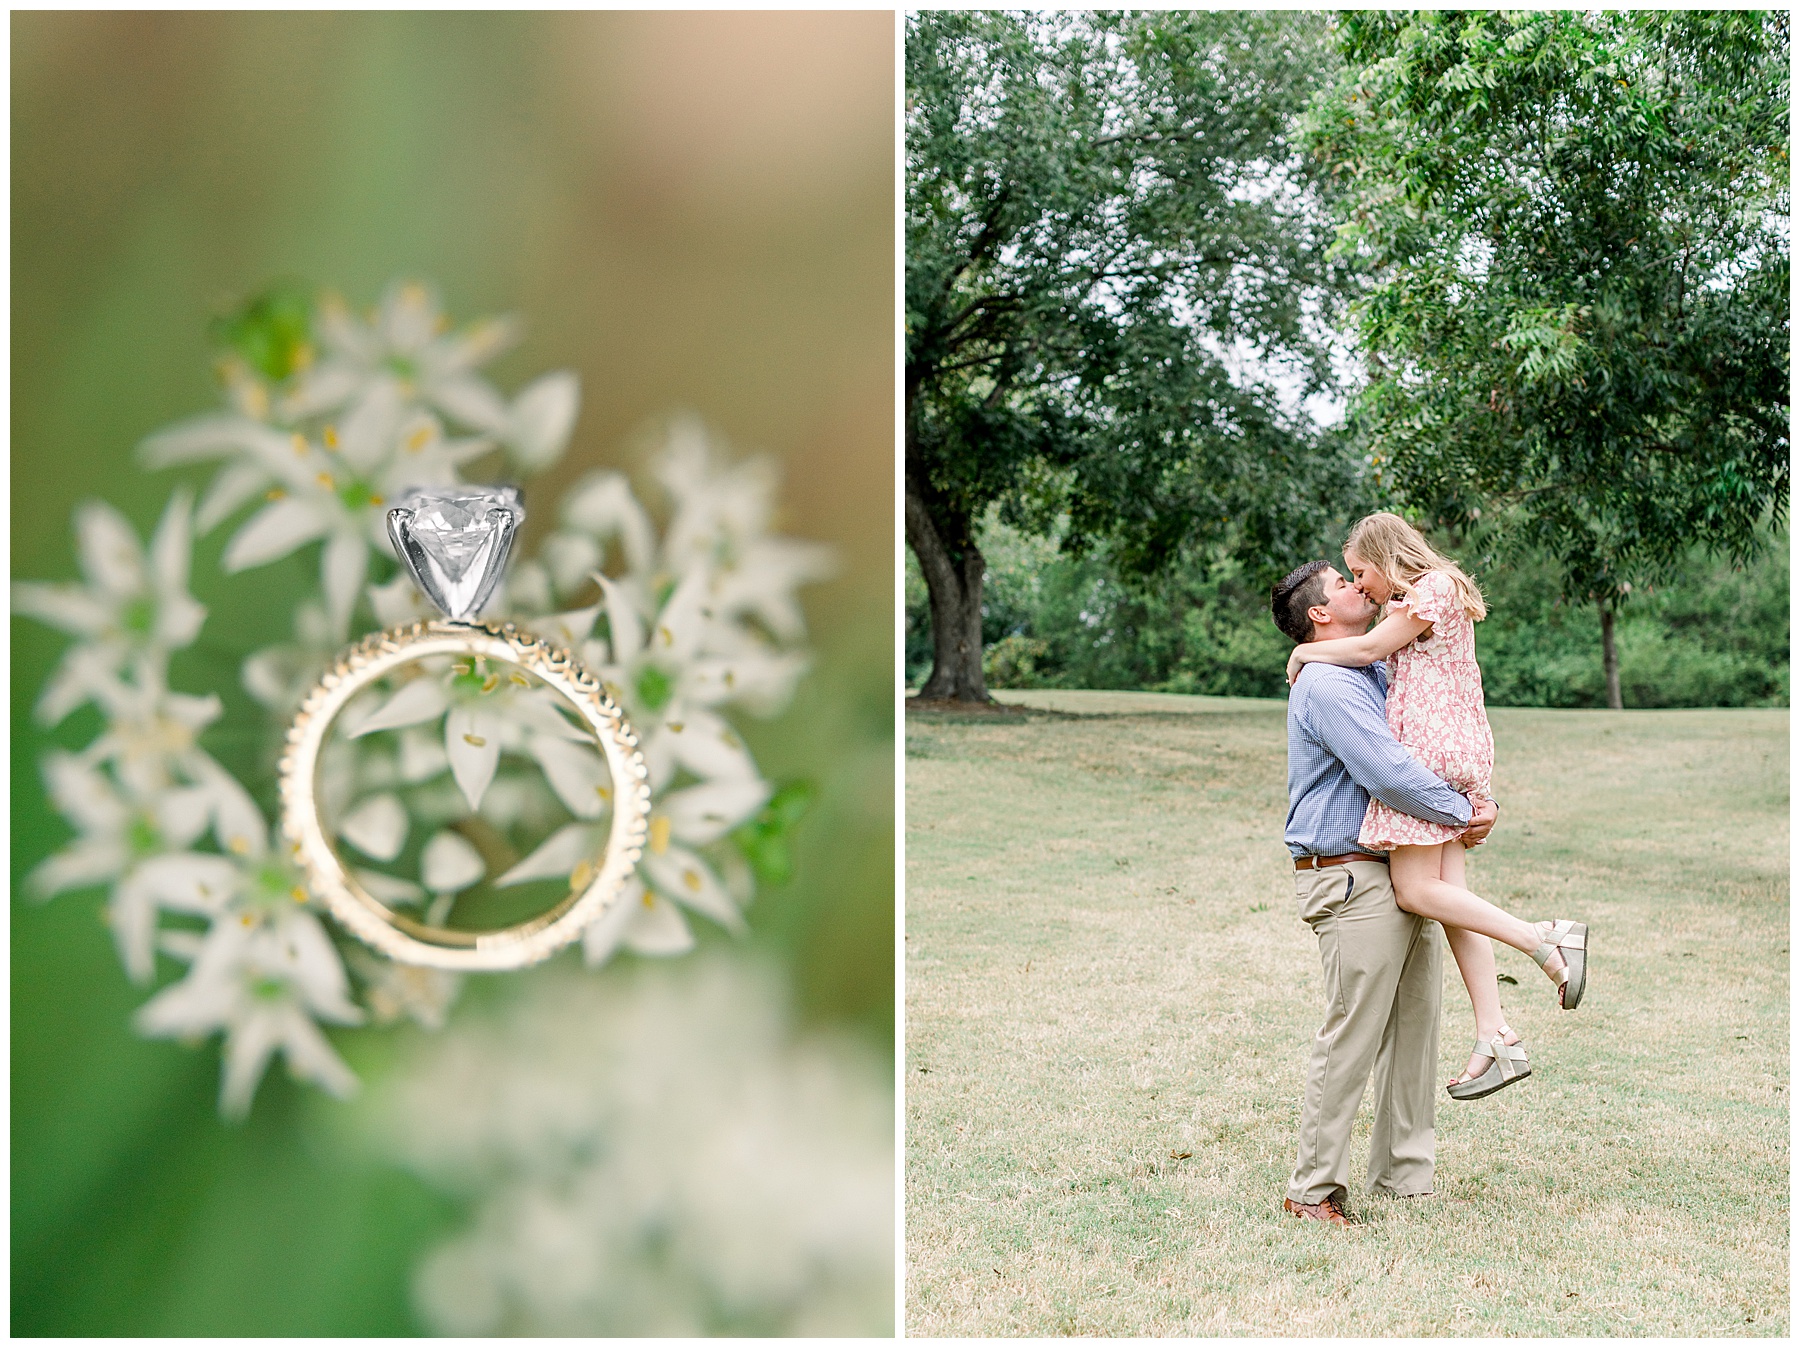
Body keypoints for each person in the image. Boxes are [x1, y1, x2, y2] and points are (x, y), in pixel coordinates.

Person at [1286, 514, 1589, 1104]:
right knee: (1454, 903)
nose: (1361, 585)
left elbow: (1372, 647)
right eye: (1348, 580)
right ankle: (1494, 1033)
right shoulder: (1418, 599)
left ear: (1384, 554)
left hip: (1435, 749)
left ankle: (1544, 938)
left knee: (1417, 892)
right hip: (1442, 748)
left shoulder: (1431, 589)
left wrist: (1303, 652)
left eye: (1360, 572)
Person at [1271, 557, 1496, 1227]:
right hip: (1349, 875)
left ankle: (1404, 1175)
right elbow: (1388, 772)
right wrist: (1463, 813)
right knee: (1354, 1033)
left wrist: (1467, 799)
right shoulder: (1327, 684)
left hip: (1400, 869)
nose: (1358, 585)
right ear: (1319, 614)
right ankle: (1311, 1190)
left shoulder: (1373, 668)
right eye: (1343, 584)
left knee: (1414, 1026)